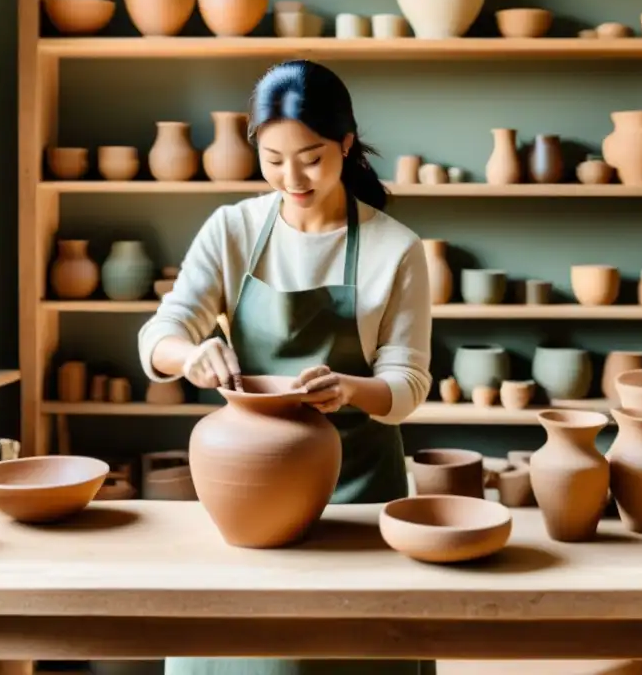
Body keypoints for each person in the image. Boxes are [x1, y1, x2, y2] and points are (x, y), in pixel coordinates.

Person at [137, 59, 435, 675]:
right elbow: (160, 334)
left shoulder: (395, 247)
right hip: (253, 492)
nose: (291, 176)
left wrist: (351, 388)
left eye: (311, 155)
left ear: (347, 143)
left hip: (357, 494)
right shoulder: (234, 228)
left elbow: (408, 384)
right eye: (273, 158)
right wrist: (190, 354)